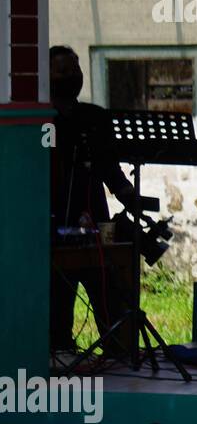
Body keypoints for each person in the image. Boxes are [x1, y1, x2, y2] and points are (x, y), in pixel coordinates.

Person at [48, 45, 136, 359]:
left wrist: (127, 191)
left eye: (76, 69)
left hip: (95, 219)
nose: (72, 75)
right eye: (62, 70)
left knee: (109, 291)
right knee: (58, 296)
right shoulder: (43, 121)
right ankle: (59, 348)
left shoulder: (94, 117)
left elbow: (109, 166)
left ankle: (119, 349)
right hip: (55, 221)